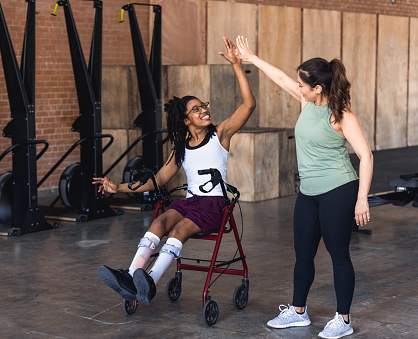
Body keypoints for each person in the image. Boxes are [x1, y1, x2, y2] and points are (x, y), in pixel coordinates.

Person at [92, 37, 255, 307]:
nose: (204, 110)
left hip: (214, 205)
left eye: (204, 106)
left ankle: (151, 281)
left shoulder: (220, 135)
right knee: (158, 223)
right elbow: (158, 180)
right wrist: (118, 187)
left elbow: (248, 105)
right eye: (196, 109)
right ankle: (131, 279)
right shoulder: (180, 148)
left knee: (178, 229)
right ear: (185, 120)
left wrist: (237, 65)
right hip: (190, 203)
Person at [234, 36, 373, 338]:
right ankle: (298, 312)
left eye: (302, 84)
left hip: (339, 189)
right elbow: (281, 78)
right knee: (303, 255)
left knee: (339, 255)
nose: (297, 87)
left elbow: (366, 155)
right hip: (308, 193)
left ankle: (344, 319)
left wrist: (362, 198)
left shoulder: (341, 116)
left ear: (318, 88)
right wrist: (251, 58)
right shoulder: (306, 102)